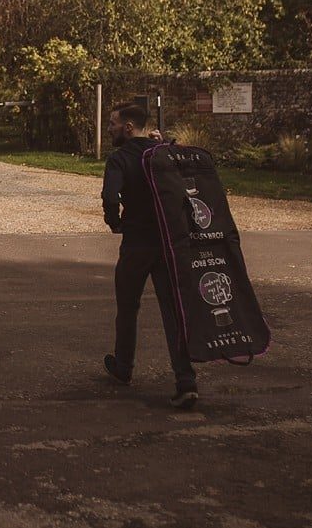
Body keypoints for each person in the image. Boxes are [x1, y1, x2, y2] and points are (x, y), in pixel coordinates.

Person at [101, 101, 199, 409]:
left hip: (136, 244)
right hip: (168, 242)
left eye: (113, 123)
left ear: (128, 127)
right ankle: (186, 381)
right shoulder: (161, 153)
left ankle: (124, 368)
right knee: (173, 312)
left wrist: (114, 221)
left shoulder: (119, 158)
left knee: (128, 307)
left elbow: (110, 196)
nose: (110, 128)